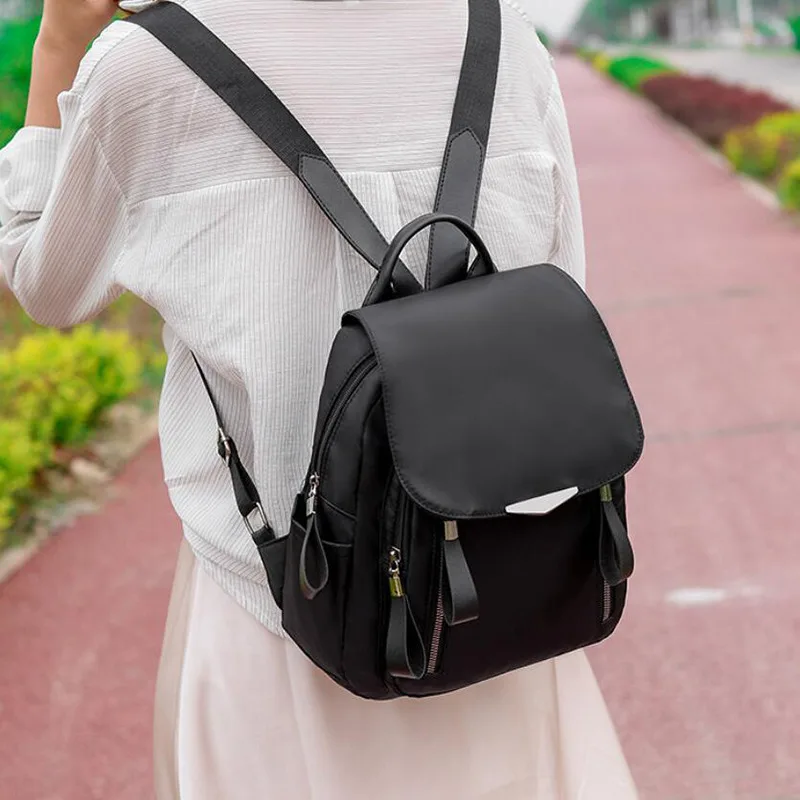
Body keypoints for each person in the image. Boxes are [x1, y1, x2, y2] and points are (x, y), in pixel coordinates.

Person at [0, 1, 639, 797]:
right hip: (492, 587)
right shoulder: (501, 35)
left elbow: (46, 285)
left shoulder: (146, 67)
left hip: (273, 603)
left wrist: (61, 38)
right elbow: (558, 288)